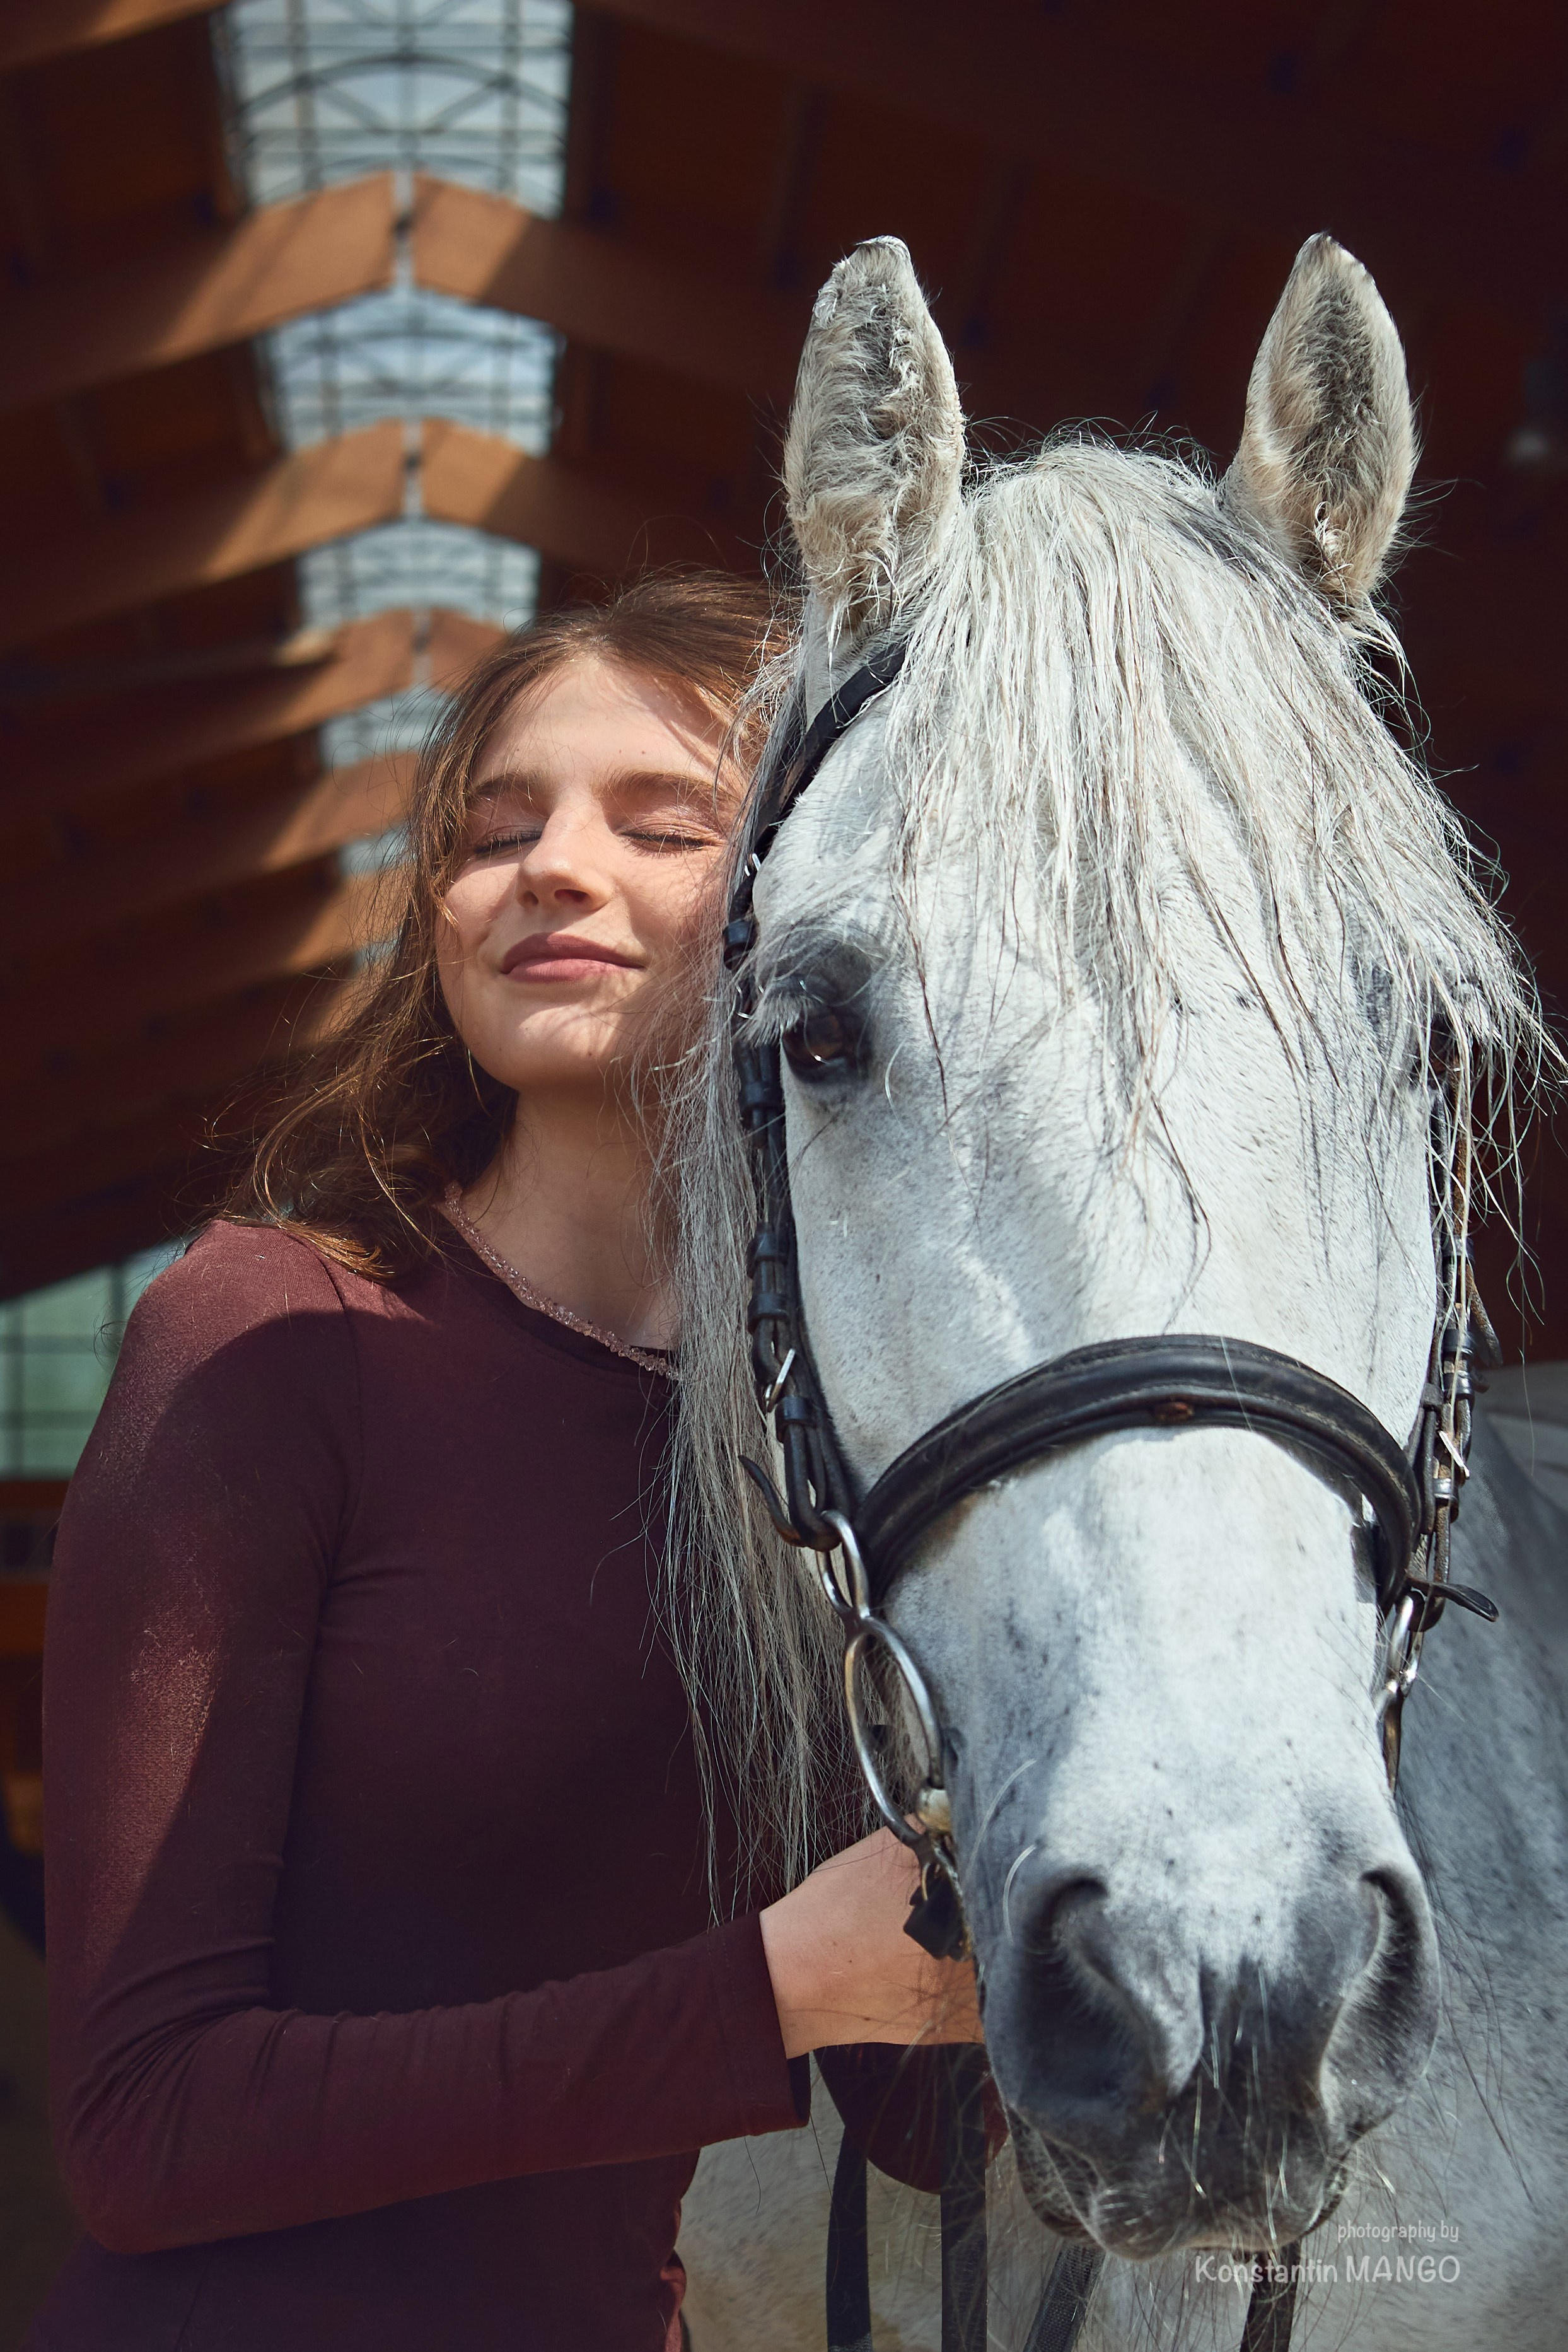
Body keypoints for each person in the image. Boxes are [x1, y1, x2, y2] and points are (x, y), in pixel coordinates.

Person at [29, 573, 980, 2352]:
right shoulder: (268, 1339)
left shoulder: (816, 1447)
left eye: (662, 821)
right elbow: (138, 2127)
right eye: (495, 827)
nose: (549, 863)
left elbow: (924, 2105)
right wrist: (765, 1989)